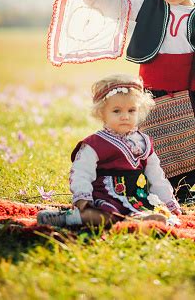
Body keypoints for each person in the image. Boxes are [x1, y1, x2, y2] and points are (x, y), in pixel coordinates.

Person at [48, 0, 195, 204]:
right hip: (150, 90)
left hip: (188, 93)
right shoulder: (149, 6)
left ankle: (184, 190)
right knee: (148, 140)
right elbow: (118, 3)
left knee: (186, 141)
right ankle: (152, 186)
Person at [37, 74, 181, 228]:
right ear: (102, 113)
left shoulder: (144, 142)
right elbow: (81, 172)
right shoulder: (95, 143)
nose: (125, 116)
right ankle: (69, 218)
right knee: (104, 217)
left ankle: (136, 221)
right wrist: (82, 196)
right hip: (106, 198)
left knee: (154, 214)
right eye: (117, 111)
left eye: (131, 110)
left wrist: (168, 201)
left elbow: (156, 176)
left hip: (136, 198)